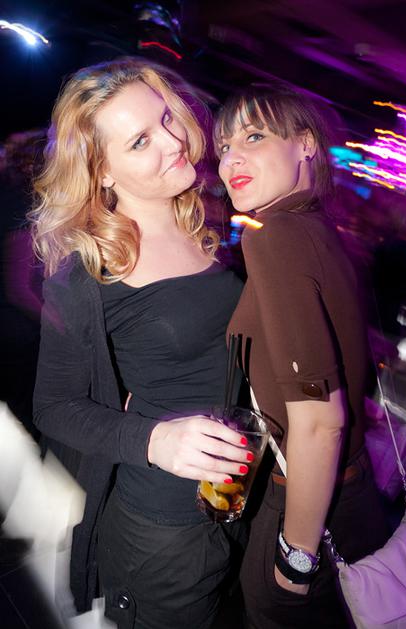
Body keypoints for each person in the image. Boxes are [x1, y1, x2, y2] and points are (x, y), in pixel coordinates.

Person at [29, 57, 252, 629]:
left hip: (234, 494)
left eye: (166, 118)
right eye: (140, 141)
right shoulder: (88, 271)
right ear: (102, 172)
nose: (173, 142)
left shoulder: (208, 220)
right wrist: (154, 439)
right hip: (164, 524)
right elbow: (53, 406)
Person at [214, 85, 390, 628]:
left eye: (254, 136)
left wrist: (296, 555)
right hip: (350, 491)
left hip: (309, 503)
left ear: (306, 144)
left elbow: (319, 421)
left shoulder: (273, 235)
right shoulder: (320, 226)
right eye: (224, 147)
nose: (230, 160)